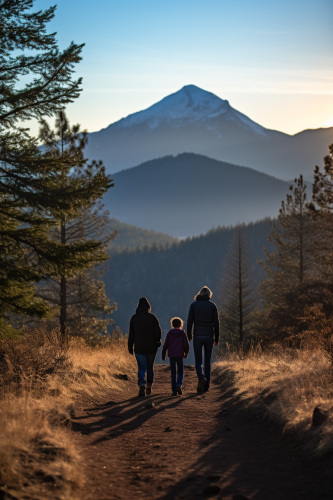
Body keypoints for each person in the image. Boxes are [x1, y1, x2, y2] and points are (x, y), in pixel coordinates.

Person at [187, 286, 219, 392]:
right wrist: (216, 338)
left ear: (199, 294)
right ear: (209, 295)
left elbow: (190, 321)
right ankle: (206, 386)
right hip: (209, 336)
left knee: (198, 361)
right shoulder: (212, 306)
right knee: (207, 362)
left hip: (197, 336)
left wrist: (189, 335)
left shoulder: (193, 305)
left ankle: (201, 378)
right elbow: (216, 323)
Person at [128, 297, 162, 397]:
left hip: (139, 347)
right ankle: (149, 387)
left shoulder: (134, 318)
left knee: (142, 368)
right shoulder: (152, 317)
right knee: (150, 367)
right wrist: (157, 340)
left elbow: (131, 334)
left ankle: (142, 384)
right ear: (148, 306)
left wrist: (130, 347)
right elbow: (158, 331)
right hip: (152, 347)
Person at [162, 317, 190, 396]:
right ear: (181, 324)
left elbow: (165, 345)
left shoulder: (169, 333)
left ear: (172, 325)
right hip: (180, 355)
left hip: (171, 355)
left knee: (173, 373)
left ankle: (174, 391)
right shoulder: (183, 333)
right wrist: (186, 353)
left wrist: (163, 354)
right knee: (180, 371)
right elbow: (186, 345)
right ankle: (178, 385)